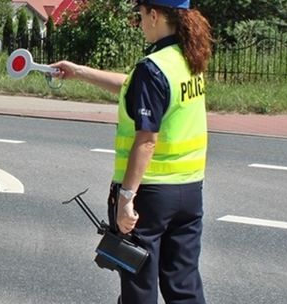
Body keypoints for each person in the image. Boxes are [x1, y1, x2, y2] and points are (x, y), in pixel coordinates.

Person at [51, 0, 212, 303]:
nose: (139, 22)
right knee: (184, 283)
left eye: (139, 15)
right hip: (189, 192)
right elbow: (132, 87)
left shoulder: (153, 67)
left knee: (138, 286)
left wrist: (126, 199)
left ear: (154, 14)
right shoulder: (188, 59)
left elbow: (147, 140)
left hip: (151, 196)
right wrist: (80, 72)